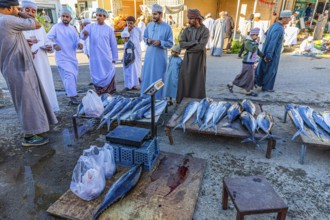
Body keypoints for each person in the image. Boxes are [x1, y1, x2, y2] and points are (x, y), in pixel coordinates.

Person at [0, 0, 57, 146]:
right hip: (17, 66)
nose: (18, 10)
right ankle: (29, 136)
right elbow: (36, 24)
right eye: (16, 7)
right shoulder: (7, 20)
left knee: (30, 98)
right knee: (26, 101)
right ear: (9, 8)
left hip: (14, 65)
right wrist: (19, 12)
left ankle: (37, 128)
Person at [22, 0, 59, 112]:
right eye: (27, 9)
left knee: (45, 84)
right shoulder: (18, 26)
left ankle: (48, 110)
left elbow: (46, 40)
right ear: (21, 10)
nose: (30, 13)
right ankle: (35, 113)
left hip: (42, 62)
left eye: (33, 11)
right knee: (31, 87)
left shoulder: (39, 27)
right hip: (27, 62)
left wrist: (49, 46)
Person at [47, 7, 83, 105]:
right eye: (63, 16)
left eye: (67, 16)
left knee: (73, 76)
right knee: (69, 76)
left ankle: (72, 92)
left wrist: (79, 44)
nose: (65, 18)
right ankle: (72, 97)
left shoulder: (72, 29)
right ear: (60, 16)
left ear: (71, 18)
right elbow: (47, 39)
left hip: (72, 57)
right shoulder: (56, 27)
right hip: (62, 58)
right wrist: (54, 45)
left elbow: (77, 40)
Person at [80, 8, 118, 95]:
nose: (98, 17)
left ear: (105, 17)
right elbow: (82, 36)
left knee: (109, 72)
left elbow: (113, 45)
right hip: (95, 58)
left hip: (106, 57)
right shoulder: (90, 27)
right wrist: (84, 34)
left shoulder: (109, 29)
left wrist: (114, 57)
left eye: (100, 16)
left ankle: (108, 95)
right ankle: (99, 94)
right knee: (96, 74)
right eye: (97, 15)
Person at [140, 4, 173, 100]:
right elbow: (144, 37)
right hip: (149, 56)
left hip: (160, 57)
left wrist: (161, 42)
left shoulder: (167, 27)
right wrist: (148, 40)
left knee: (159, 76)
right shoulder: (149, 25)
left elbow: (170, 43)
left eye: (155, 14)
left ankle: (158, 98)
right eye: (152, 14)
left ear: (160, 14)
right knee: (147, 75)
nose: (153, 16)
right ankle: (146, 96)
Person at [176, 9, 209, 103]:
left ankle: (197, 102)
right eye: (189, 18)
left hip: (199, 60)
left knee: (198, 80)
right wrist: (193, 42)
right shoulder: (187, 30)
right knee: (185, 78)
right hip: (188, 59)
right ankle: (182, 101)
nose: (189, 21)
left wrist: (188, 47)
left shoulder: (205, 30)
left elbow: (201, 46)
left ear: (197, 18)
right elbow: (182, 44)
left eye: (191, 18)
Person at [255, 10, 292, 92]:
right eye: (289, 18)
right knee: (270, 70)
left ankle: (258, 82)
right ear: (284, 18)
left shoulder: (274, 25)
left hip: (267, 50)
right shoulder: (279, 28)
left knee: (263, 67)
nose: (290, 19)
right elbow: (273, 42)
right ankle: (266, 87)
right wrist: (269, 55)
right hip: (272, 52)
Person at [227, 28, 264, 97]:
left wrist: (263, 56)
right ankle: (248, 91)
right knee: (249, 76)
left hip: (251, 61)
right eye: (256, 35)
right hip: (247, 61)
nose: (257, 37)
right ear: (252, 35)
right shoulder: (248, 42)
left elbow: (257, 51)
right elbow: (252, 49)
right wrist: (257, 43)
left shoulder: (253, 41)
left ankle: (231, 84)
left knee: (245, 75)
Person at [123, 16, 142, 89]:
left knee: (137, 66)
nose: (129, 24)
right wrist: (128, 31)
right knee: (129, 66)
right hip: (128, 51)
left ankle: (135, 82)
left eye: (131, 23)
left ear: (134, 23)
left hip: (136, 51)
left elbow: (140, 39)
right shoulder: (125, 29)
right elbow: (124, 40)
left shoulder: (138, 30)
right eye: (128, 23)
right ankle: (129, 84)